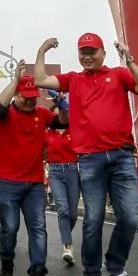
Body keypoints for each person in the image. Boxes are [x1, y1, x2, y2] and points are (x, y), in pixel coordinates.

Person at [34, 33, 138, 276]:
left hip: (122, 155)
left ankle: (116, 268)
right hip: (90, 159)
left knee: (129, 217)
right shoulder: (73, 79)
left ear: (103, 53)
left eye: (92, 51)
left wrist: (130, 59)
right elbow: (40, 80)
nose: (87, 57)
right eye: (83, 52)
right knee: (93, 219)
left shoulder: (119, 74)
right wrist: (42, 50)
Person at [0, 68, 53, 276]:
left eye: (33, 97)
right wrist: (15, 80)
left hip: (35, 184)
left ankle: (38, 275)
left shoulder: (42, 114)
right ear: (16, 95)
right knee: (10, 228)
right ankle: (7, 265)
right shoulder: (6, 114)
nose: (30, 101)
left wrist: (61, 102)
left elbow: (63, 122)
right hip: (8, 182)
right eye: (25, 97)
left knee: (38, 228)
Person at [45, 91, 79, 266]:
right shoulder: (48, 133)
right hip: (55, 172)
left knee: (73, 213)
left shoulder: (74, 130)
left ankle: (67, 235)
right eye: (57, 112)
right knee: (63, 209)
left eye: (63, 111)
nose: (61, 115)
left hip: (73, 170)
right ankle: (67, 247)